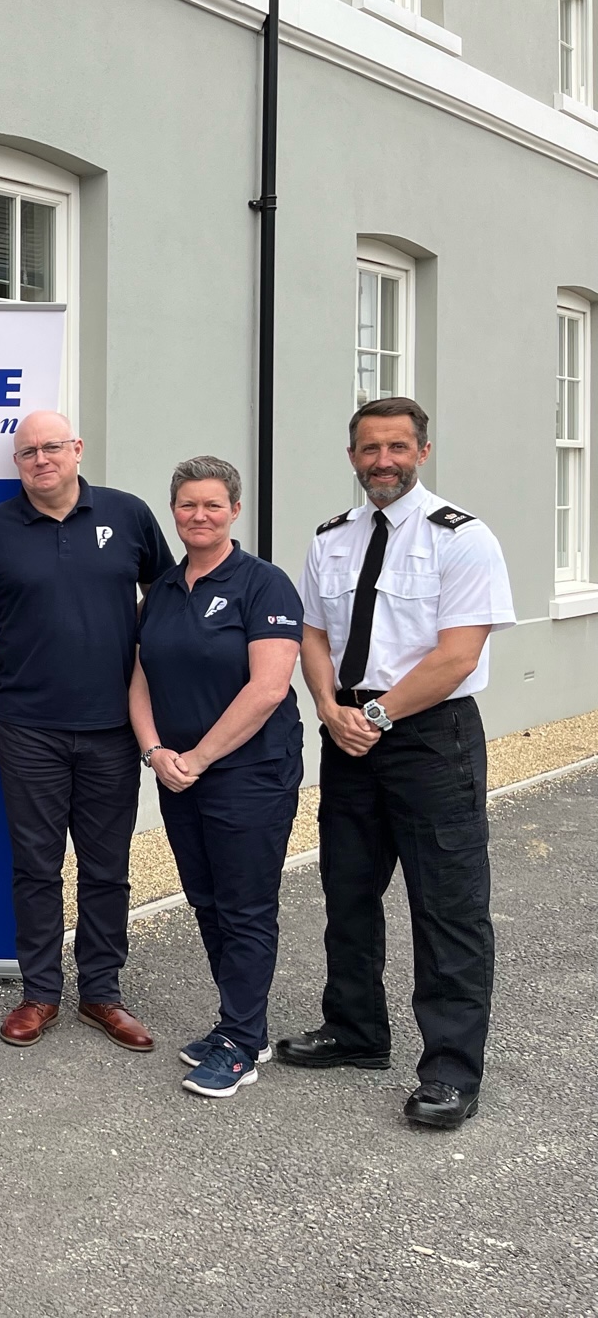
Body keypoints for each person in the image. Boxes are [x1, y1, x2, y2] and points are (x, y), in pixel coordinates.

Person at [277, 397, 514, 1129]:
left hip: (429, 738)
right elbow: (314, 634)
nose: (383, 461)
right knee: (348, 892)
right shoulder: (332, 538)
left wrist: (375, 716)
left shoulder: (463, 538)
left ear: (422, 452)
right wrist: (328, 707)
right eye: (370, 449)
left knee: (447, 906)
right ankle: (355, 1030)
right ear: (353, 457)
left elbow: (458, 655)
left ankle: (450, 1070)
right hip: (347, 734)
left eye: (397, 447)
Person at [0, 410, 173, 1053]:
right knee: (36, 867)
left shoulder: (128, 515)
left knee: (107, 868)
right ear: (16, 463)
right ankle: (40, 994)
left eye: (52, 447)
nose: (41, 459)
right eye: (28, 452)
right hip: (27, 728)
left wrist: (156, 688)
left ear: (77, 449)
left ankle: (102, 993)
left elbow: (167, 598)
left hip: (113, 727)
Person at [128, 457, 304, 1100]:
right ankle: (238, 1025)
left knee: (245, 906)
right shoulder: (163, 590)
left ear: (234, 510)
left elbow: (268, 688)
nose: (198, 516)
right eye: (186, 505)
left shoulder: (265, 584)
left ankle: (241, 1043)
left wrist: (197, 759)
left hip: (249, 774)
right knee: (206, 900)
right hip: (178, 774)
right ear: (173, 511)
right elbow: (139, 677)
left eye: (211, 505)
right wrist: (155, 752)